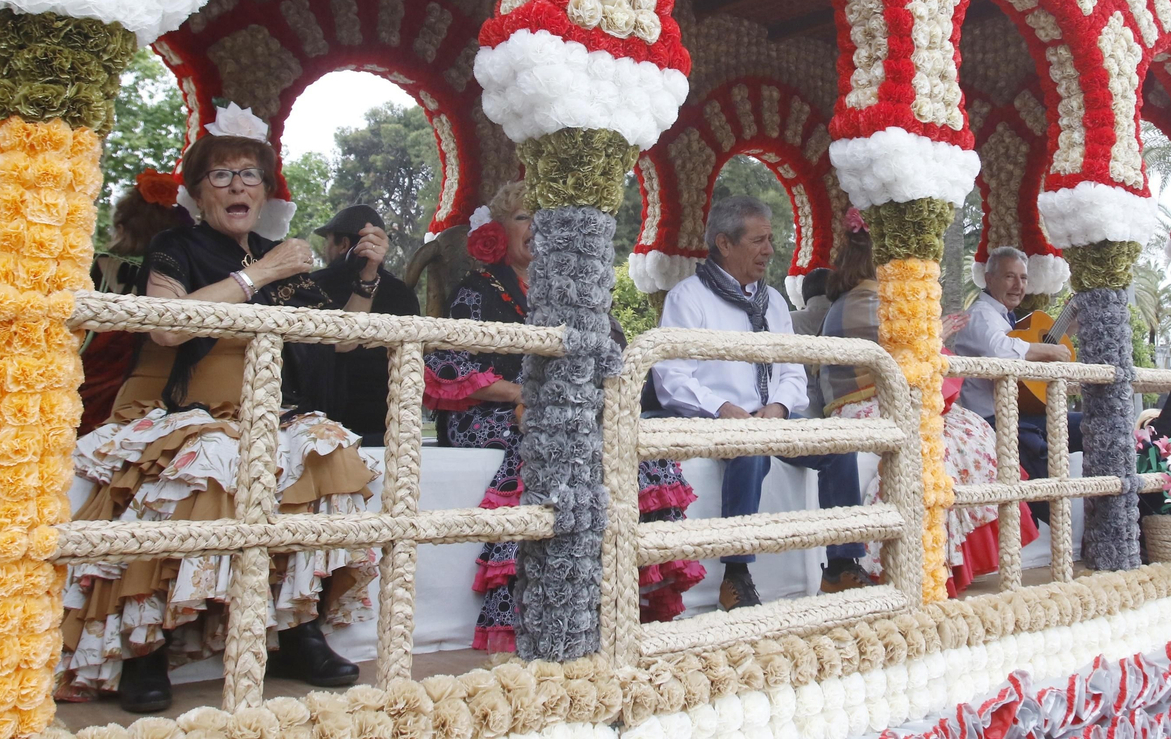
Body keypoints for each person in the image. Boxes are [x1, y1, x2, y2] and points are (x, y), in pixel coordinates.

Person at [61, 105, 387, 713]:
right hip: (183, 406)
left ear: (265, 193)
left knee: (331, 451)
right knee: (210, 459)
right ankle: (142, 648)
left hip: (262, 407)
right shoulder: (175, 246)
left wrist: (366, 274)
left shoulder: (276, 251)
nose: (237, 185)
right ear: (197, 192)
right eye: (221, 175)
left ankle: (294, 631)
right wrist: (258, 274)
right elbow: (166, 330)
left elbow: (339, 336)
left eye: (249, 176)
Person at [421, 183, 703, 648]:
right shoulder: (478, 290)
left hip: (561, 409)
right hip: (488, 413)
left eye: (545, 218)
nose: (537, 228)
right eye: (523, 218)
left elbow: (609, 358)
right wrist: (526, 394)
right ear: (498, 231)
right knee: (551, 437)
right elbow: (455, 367)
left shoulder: (578, 292)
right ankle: (536, 605)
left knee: (630, 442)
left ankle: (628, 587)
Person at [654, 196, 875, 610]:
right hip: (714, 420)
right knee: (750, 451)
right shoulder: (688, 297)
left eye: (770, 239)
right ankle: (736, 576)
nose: (770, 250)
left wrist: (776, 409)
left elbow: (791, 370)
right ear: (724, 243)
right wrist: (723, 410)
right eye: (758, 240)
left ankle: (841, 566)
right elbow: (671, 378)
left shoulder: (772, 300)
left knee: (839, 446)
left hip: (771, 417)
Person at [820, 212, 1036, 595]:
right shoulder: (864, 300)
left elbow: (909, 355)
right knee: (944, 443)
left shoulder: (869, 296)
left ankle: (948, 560)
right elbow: (906, 359)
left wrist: (934, 336)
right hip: (864, 404)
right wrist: (935, 336)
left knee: (971, 431)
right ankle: (912, 563)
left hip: (889, 399)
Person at [949, 248, 1078, 513]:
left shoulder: (1007, 319)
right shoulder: (982, 314)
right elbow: (1000, 349)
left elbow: (1022, 351)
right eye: (1009, 276)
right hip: (993, 421)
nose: (1018, 286)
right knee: (1075, 432)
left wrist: (1067, 330)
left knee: (1089, 425)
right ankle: (1057, 514)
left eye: (1023, 278)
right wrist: (1049, 350)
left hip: (1020, 415)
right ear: (988, 279)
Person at [78, 170, 191, 434]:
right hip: (150, 398)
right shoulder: (180, 278)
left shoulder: (91, 266)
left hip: (86, 386)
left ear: (121, 227)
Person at [311, 204, 420, 446]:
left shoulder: (314, 285)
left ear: (342, 245)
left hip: (322, 423)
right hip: (387, 423)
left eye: (328, 241)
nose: (324, 249)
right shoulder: (403, 293)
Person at [787, 267, 833, 417]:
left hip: (800, 408)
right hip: (844, 404)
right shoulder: (847, 318)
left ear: (805, 294)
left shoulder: (788, 320)